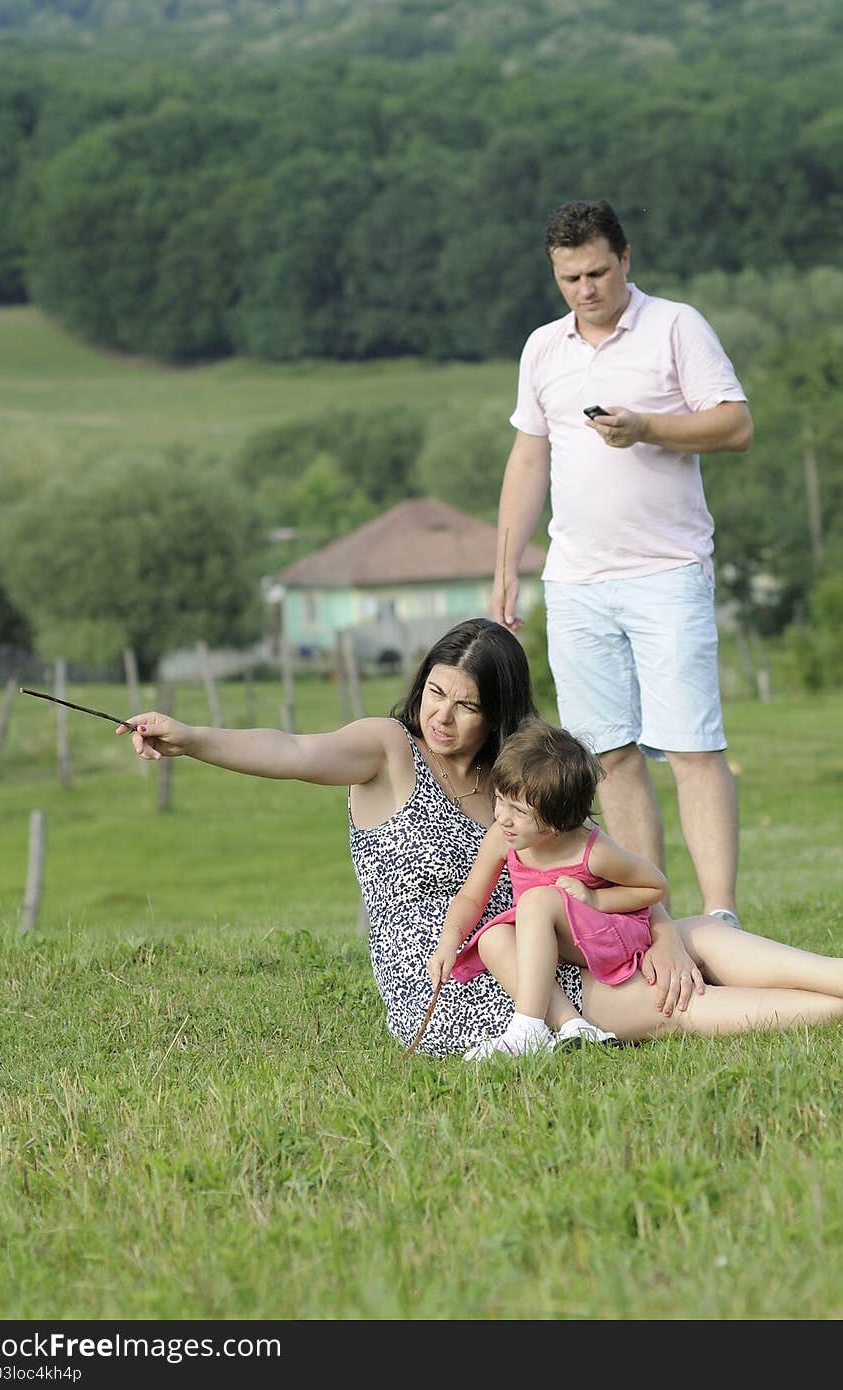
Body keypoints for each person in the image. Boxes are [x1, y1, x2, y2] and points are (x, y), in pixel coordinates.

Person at [117, 617, 843, 1055]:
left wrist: (663, 932)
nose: (443, 717)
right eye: (436, 692)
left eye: (467, 706)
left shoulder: (522, 775)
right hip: (461, 982)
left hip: (559, 942)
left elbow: (602, 864)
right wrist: (190, 736)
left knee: (703, 941)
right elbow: (288, 750)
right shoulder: (387, 751)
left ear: (498, 713)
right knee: (670, 1005)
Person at [491, 198, 753, 928]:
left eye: (598, 271)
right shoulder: (542, 349)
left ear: (625, 258)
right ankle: (655, 922)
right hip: (575, 582)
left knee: (694, 747)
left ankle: (722, 917)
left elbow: (735, 424)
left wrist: (647, 429)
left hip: (667, 570)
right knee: (608, 756)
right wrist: (506, 560)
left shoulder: (676, 326)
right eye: (570, 276)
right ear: (555, 273)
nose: (586, 288)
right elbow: (529, 452)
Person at [427, 718, 667, 1058]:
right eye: (499, 800)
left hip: (609, 937)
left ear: (557, 822)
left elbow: (654, 886)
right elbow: (471, 896)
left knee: (538, 901)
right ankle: (573, 1025)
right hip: (562, 936)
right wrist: (450, 939)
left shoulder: (593, 852)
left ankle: (527, 1026)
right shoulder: (503, 837)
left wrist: (595, 897)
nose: (503, 817)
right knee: (493, 937)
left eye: (519, 811)